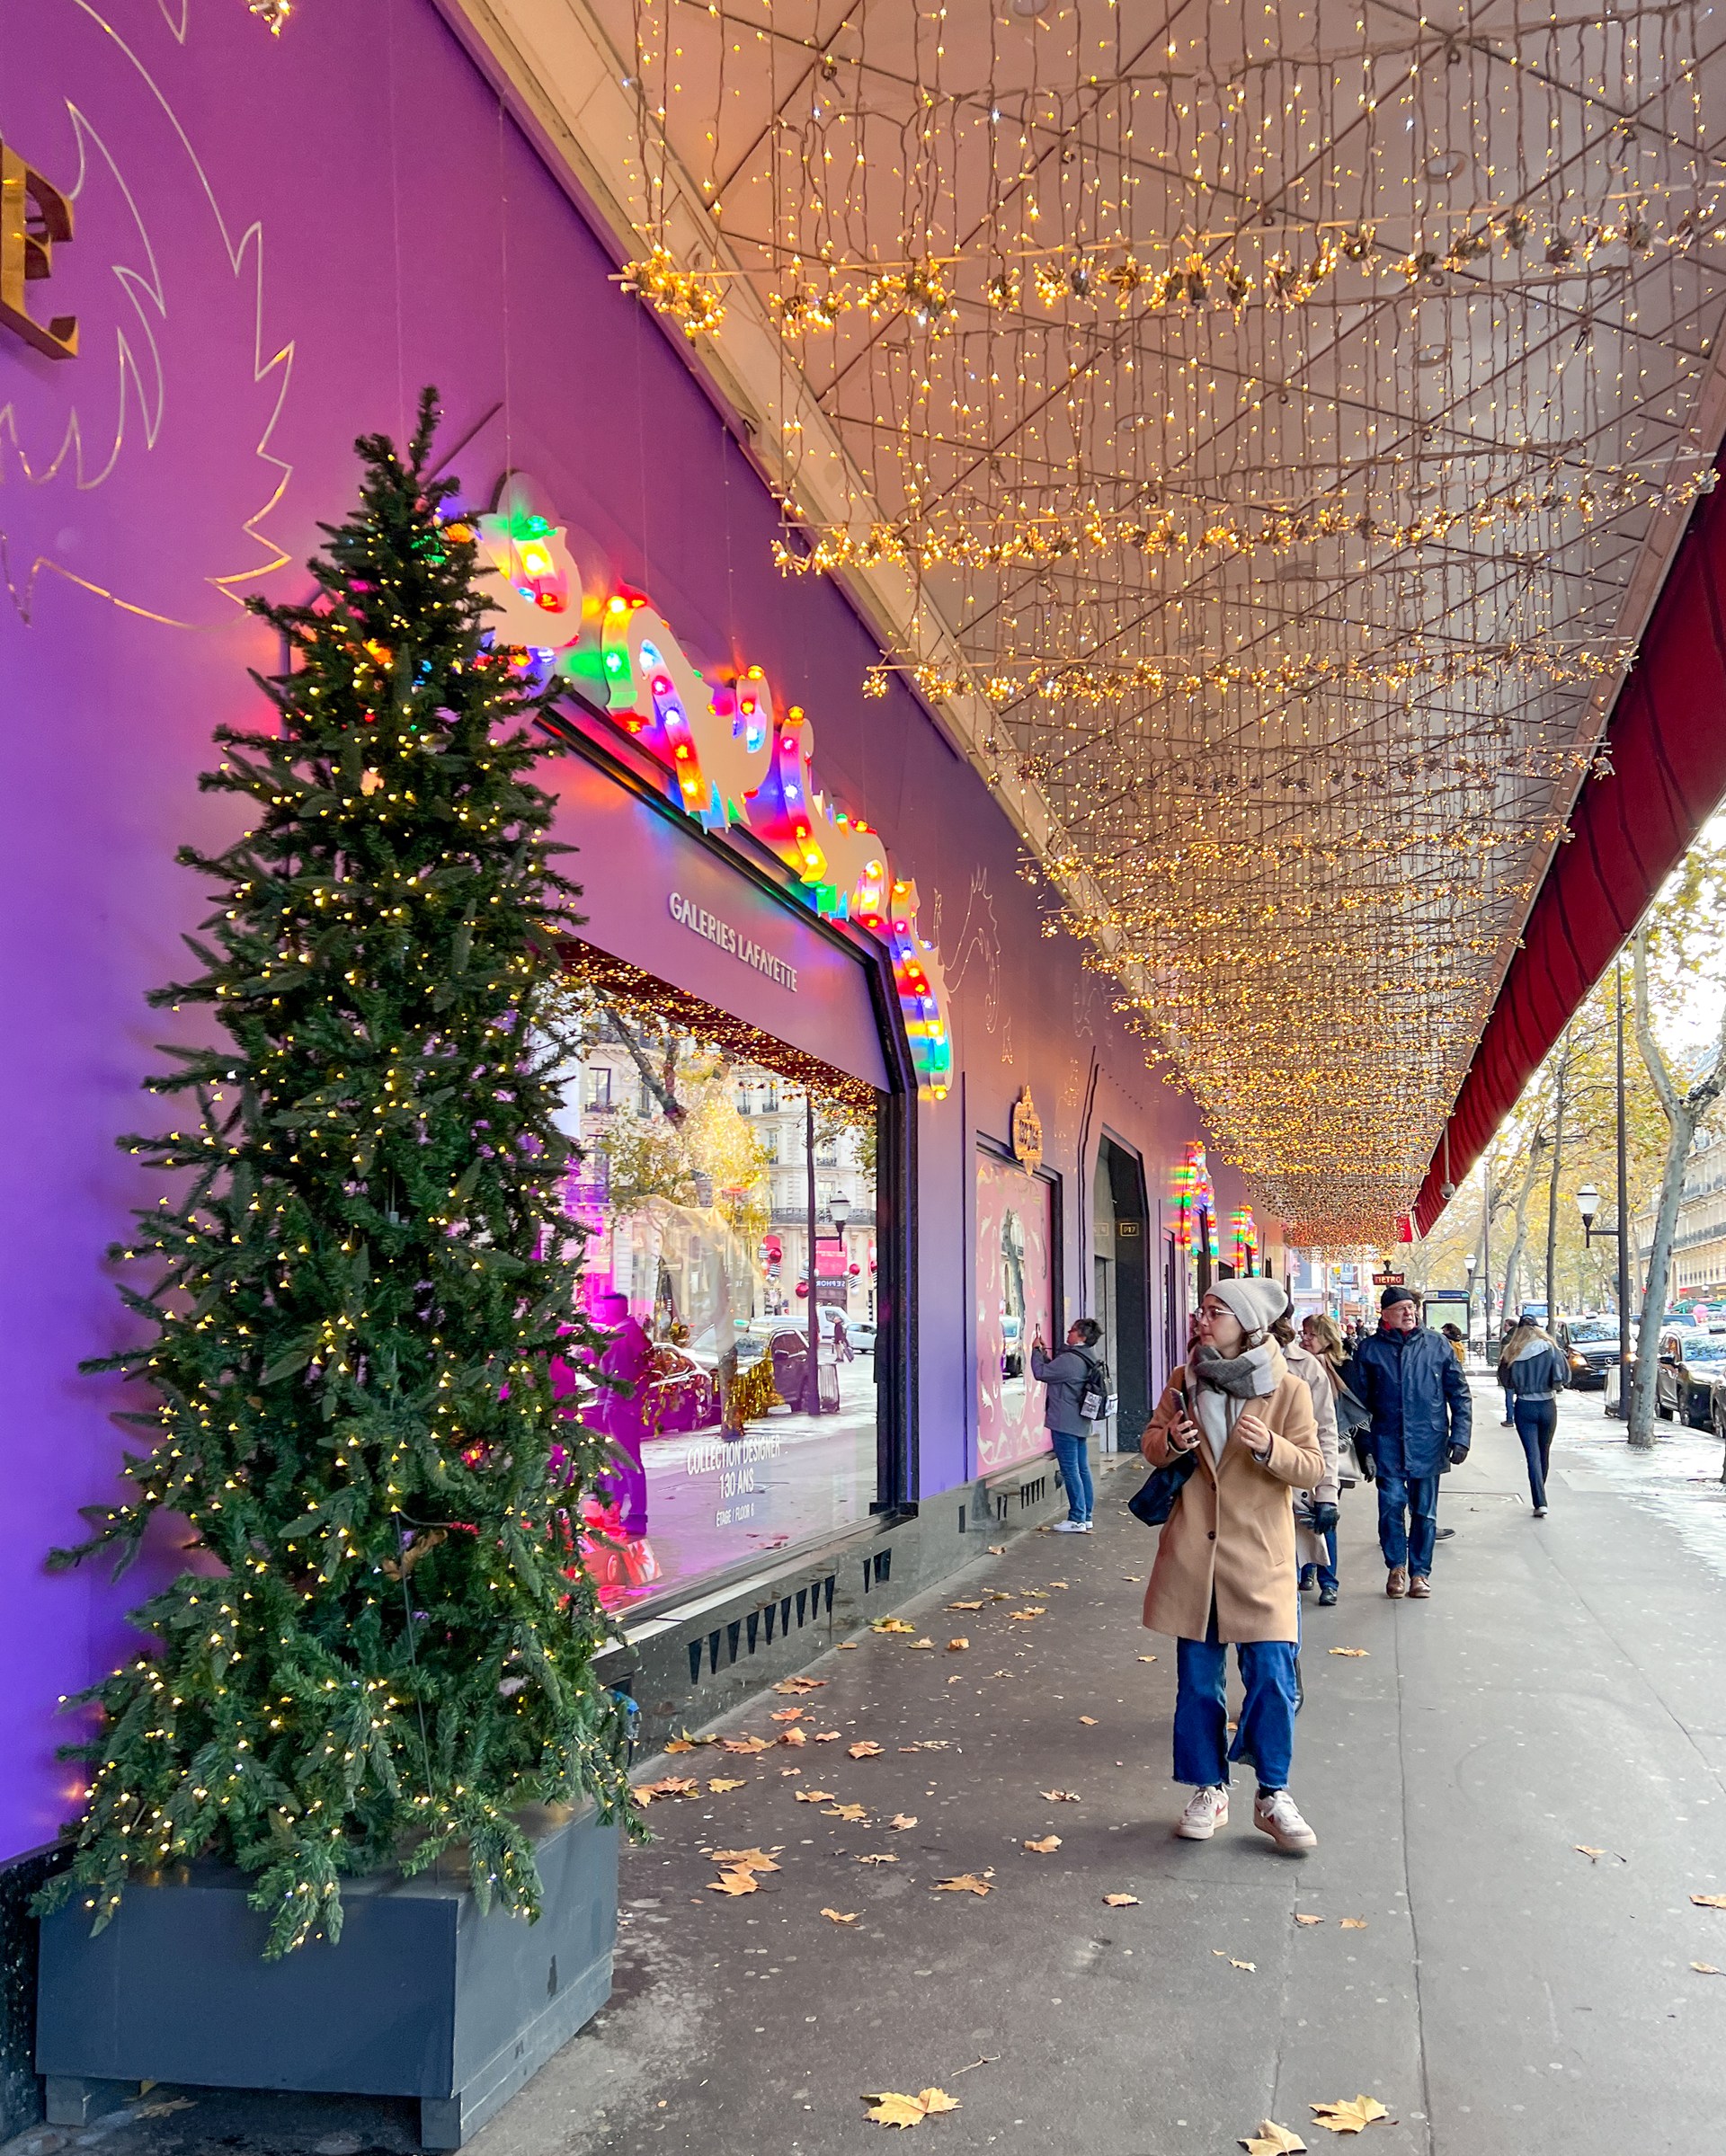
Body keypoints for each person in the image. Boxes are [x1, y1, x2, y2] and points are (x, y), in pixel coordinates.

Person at [1142, 1279, 1324, 1853]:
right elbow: (1150, 1445)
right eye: (1202, 1309)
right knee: (1198, 1683)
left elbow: (1313, 1467)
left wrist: (1270, 1446)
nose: (1201, 1319)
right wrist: (1172, 1440)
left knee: (1272, 1678)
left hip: (1261, 1556)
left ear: (1246, 1324)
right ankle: (1208, 1788)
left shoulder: (1288, 1389)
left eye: (1215, 1311)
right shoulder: (1183, 1381)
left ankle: (1273, 1794)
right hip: (1195, 1555)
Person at [1347, 1286, 1472, 1598]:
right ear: (1386, 1314)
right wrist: (1364, 1447)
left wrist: (1461, 1436)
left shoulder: (1437, 1344)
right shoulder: (1370, 1350)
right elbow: (1358, 1404)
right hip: (1386, 1442)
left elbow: (1459, 1393)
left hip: (1428, 1441)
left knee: (1425, 1512)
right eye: (1401, 1308)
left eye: (1411, 1307)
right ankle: (1396, 1568)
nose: (1409, 1313)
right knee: (1391, 1506)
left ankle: (1420, 1573)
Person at [1274, 1316, 1341, 1607]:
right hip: (1253, 1485)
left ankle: (1328, 1581)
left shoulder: (1308, 1366)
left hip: (1301, 1471)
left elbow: (1326, 1427)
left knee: (1319, 1524)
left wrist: (1328, 1492)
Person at [1298, 1312, 1365, 1603]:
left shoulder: (1344, 1367)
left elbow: (1358, 1410)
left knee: (1325, 1512)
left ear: (1326, 1337)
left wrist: (1367, 1451)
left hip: (1331, 1450)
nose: (1305, 1339)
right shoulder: (1295, 1364)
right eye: (1303, 1333)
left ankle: (1329, 1582)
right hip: (1300, 1450)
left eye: (1311, 1334)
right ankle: (1307, 1569)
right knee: (1302, 1513)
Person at [1030, 1318, 1106, 1533]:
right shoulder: (1087, 1356)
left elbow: (1042, 1373)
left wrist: (1035, 1352)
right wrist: (1044, 1354)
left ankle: (1077, 1518)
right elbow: (1055, 1372)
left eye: (1072, 1331)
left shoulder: (1071, 1359)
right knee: (1082, 1469)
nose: (1068, 1334)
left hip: (1065, 1422)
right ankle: (1086, 1516)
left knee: (1070, 1471)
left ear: (1081, 1336)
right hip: (1080, 1421)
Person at [1498, 1311, 1569, 1516]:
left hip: (1524, 1406)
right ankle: (1541, 1492)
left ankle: (1540, 1501)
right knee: (1544, 1452)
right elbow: (1565, 1376)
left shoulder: (1513, 1351)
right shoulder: (1551, 1348)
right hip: (1547, 1405)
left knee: (1532, 1456)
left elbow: (1506, 1381)